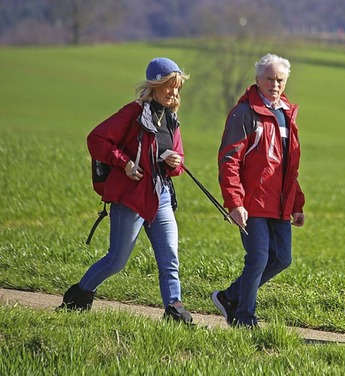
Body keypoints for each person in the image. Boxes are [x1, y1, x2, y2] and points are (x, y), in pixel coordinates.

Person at [58, 57, 193, 324]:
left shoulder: (171, 119)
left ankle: (175, 311)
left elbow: (178, 159)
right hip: (130, 197)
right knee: (116, 260)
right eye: (169, 86)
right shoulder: (132, 113)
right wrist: (125, 163)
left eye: (177, 88)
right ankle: (79, 296)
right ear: (154, 85)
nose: (174, 93)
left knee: (170, 258)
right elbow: (96, 139)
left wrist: (175, 162)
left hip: (161, 196)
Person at [212, 53, 305, 328]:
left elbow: (289, 166)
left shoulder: (287, 115)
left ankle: (230, 297)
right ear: (257, 80)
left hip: (279, 204)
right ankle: (244, 316)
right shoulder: (244, 113)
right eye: (269, 79)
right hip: (252, 203)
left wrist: (297, 204)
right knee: (258, 257)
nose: (275, 85)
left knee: (282, 258)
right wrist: (234, 202)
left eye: (280, 80)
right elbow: (229, 161)